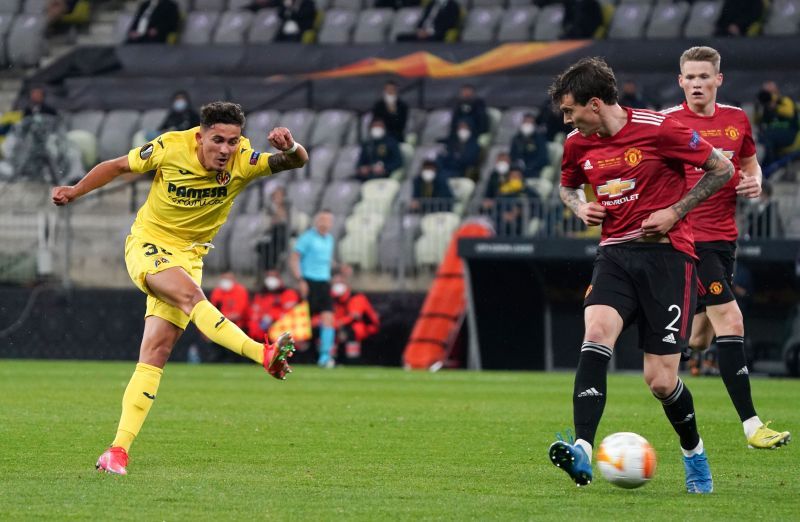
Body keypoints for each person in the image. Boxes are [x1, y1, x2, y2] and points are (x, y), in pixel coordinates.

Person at [51, 101, 308, 475]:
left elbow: (296, 161)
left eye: (233, 141)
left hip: (190, 258)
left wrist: (290, 147)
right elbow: (118, 166)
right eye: (217, 140)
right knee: (192, 298)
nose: (225, 149)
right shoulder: (170, 146)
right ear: (200, 136)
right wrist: (75, 191)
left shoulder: (244, 160)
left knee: (155, 352)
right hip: (148, 244)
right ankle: (261, 353)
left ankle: (117, 451)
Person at [547, 57, 735, 494]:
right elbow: (567, 185)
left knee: (661, 380)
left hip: (669, 258)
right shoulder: (578, 143)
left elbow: (721, 168)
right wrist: (580, 207)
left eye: (570, 110)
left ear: (595, 104)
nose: (567, 119)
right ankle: (582, 449)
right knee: (595, 332)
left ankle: (694, 453)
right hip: (614, 255)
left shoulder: (660, 128)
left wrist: (675, 211)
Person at [663, 46, 790, 449]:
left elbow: (749, 164)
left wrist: (753, 182)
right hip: (685, 239)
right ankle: (752, 426)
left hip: (724, 239)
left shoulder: (737, 120)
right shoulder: (667, 123)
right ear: (680, 81)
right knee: (731, 321)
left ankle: (666, 359)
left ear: (719, 80)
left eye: (705, 76)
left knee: (700, 339)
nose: (697, 83)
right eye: (690, 77)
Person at [290, 210, 338, 367]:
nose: (325, 223)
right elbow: (294, 258)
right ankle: (283, 353)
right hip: (309, 282)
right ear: (316, 221)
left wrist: (338, 268)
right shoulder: (307, 238)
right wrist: (300, 279)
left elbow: (325, 260)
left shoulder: (330, 239)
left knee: (328, 319)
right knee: (301, 321)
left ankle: (324, 357)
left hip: (324, 283)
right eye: (322, 219)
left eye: (328, 220)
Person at [331, 273, 380, 362]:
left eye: (340, 282)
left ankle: (353, 360)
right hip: (345, 326)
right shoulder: (335, 299)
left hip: (368, 328)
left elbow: (355, 316)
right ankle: (331, 359)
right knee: (329, 331)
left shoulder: (357, 297)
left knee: (351, 330)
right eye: (335, 282)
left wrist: (337, 324)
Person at [207, 272, 250, 362]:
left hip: (238, 326)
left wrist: (220, 318)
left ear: (234, 279)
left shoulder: (240, 291)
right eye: (224, 278)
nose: (226, 281)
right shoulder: (218, 291)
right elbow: (212, 310)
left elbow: (238, 314)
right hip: (221, 325)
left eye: (228, 279)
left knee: (236, 356)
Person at [247, 270, 301, 341]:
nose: (271, 279)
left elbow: (292, 314)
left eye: (273, 276)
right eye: (269, 276)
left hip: (283, 333)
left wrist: (273, 316)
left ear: (279, 279)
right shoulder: (260, 295)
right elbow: (254, 315)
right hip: (263, 336)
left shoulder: (288, 293)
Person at [755, 81, 800, 166]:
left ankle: (769, 167)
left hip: (789, 133)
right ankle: (764, 167)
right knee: (761, 139)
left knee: (768, 139)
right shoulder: (764, 106)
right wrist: (758, 108)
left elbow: (789, 112)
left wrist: (775, 106)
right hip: (771, 134)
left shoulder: (784, 100)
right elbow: (757, 121)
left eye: (770, 93)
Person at [256, 185, 291, 271]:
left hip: (283, 235)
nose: (278, 198)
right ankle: (267, 272)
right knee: (263, 247)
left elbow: (292, 223)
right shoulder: (268, 209)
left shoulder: (289, 208)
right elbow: (263, 224)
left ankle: (271, 270)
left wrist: (281, 218)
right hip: (270, 234)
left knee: (276, 243)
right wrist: (272, 222)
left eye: (280, 195)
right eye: (276, 196)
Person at [509, 113, 549, 179]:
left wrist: (529, 166)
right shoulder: (516, 138)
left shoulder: (540, 138)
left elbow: (543, 158)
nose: (527, 124)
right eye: (525, 122)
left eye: (530, 122)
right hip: (517, 170)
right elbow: (512, 155)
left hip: (534, 170)